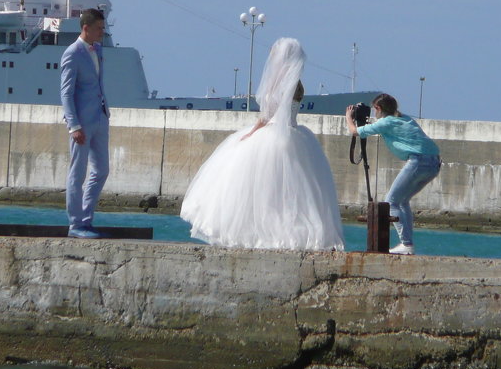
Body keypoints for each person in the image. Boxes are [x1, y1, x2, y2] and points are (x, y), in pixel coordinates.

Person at [180, 37, 344, 250]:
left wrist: (252, 133)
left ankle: (258, 233)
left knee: (260, 192)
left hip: (272, 135)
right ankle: (294, 233)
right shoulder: (298, 83)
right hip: (296, 135)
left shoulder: (278, 81)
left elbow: (267, 114)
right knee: (290, 193)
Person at [346, 93, 440, 255]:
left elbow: (355, 132)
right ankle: (407, 245)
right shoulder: (405, 118)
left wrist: (349, 117)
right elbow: (385, 125)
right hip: (434, 163)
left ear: (378, 108)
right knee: (402, 201)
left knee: (391, 202)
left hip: (418, 160)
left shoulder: (386, 122)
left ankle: (406, 244)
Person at [60, 8, 111, 238]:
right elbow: (66, 93)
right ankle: (75, 224)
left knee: (101, 170)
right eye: (99, 28)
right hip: (81, 123)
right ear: (86, 27)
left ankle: (86, 218)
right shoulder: (72, 53)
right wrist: (74, 125)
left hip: (100, 118)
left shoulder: (98, 50)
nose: (103, 32)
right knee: (77, 173)